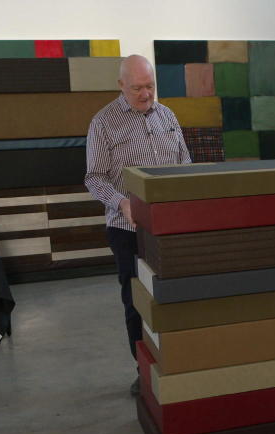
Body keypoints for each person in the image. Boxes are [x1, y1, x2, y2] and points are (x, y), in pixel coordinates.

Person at [85, 54, 192, 396]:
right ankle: (143, 368)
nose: (146, 94)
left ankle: (176, 362)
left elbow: (185, 165)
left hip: (171, 230)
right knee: (136, 302)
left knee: (172, 298)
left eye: (150, 86)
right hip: (127, 231)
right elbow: (93, 178)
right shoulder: (103, 123)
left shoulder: (168, 116)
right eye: (137, 88)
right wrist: (121, 202)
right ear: (121, 85)